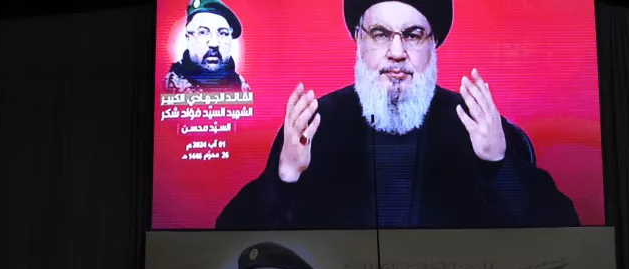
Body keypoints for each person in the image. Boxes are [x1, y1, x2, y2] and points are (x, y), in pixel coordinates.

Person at [215, 0, 579, 230]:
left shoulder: (473, 123)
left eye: (414, 35)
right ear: (360, 41)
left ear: (432, 45)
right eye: (380, 34)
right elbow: (231, 234)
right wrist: (285, 176)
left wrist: (498, 163)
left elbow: (561, 229)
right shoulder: (315, 125)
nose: (396, 52)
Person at [164, 0, 250, 93]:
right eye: (202, 32)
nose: (214, 44)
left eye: (223, 33)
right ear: (188, 38)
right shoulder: (167, 86)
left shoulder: (243, 88)